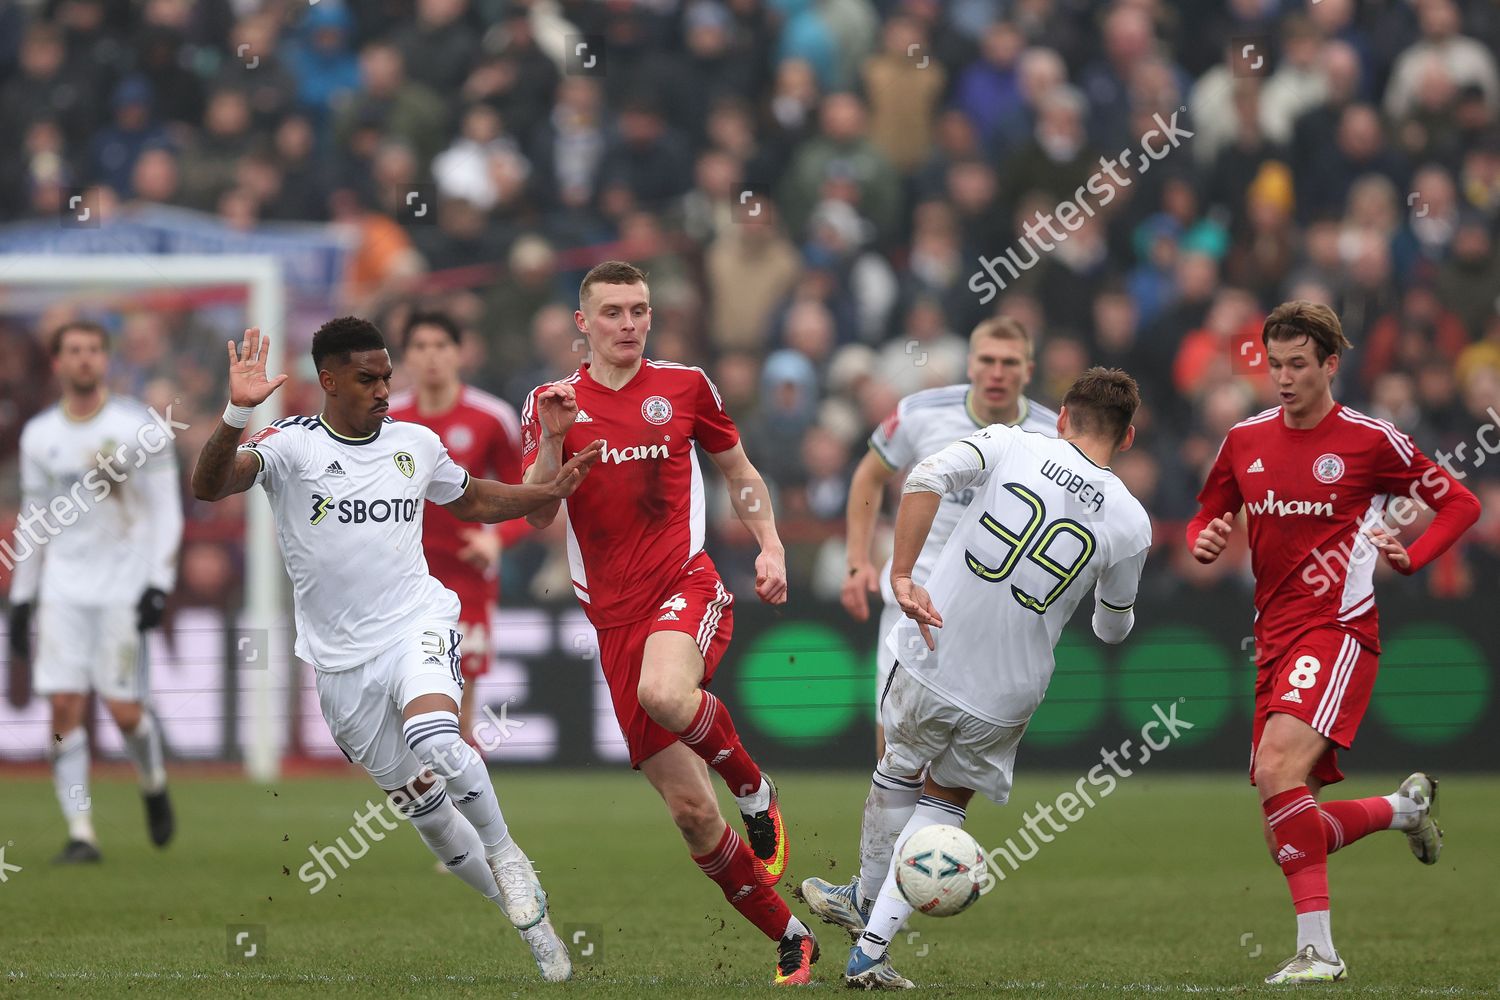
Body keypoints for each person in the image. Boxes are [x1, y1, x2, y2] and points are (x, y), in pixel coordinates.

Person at [190, 322, 602, 982]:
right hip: (339, 666)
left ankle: (507, 853)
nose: (386, 389)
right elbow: (209, 487)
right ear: (329, 380)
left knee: (437, 736)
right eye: (368, 378)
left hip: (417, 623)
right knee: (431, 817)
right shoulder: (290, 448)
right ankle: (532, 922)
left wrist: (546, 494)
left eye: (387, 376)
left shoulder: (416, 444)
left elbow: (473, 498)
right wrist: (237, 412)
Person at [804, 367, 1153, 989]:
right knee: (945, 802)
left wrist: (904, 575)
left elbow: (924, 475)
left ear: (1064, 416)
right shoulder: (1132, 521)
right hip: (1009, 688)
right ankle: (873, 946)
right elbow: (1112, 630)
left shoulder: (1009, 441)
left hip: (934, 647)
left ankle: (863, 901)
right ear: (1127, 439)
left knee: (897, 768)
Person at [519, 261, 817, 986]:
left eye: (640, 310)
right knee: (689, 811)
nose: (629, 324)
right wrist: (555, 444)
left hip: (685, 585)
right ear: (582, 324)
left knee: (664, 693)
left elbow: (740, 471)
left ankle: (754, 789)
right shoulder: (549, 401)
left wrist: (771, 544)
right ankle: (793, 935)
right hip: (613, 621)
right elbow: (535, 512)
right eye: (613, 312)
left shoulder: (685, 386)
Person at [1187, 301, 1481, 985]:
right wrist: (1207, 535)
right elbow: (1212, 507)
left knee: (1275, 771)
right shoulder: (1244, 440)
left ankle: (1319, 952)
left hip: (1338, 629)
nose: (1283, 379)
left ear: (1329, 365)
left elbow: (1459, 502)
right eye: (1274, 365)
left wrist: (1414, 554)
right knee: (1286, 829)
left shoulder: (1370, 440)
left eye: (1298, 365)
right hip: (1272, 639)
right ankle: (1401, 810)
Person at [6, 320, 184, 864]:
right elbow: (34, 521)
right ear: (57, 363)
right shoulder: (39, 436)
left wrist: (158, 584)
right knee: (63, 707)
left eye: (92, 351)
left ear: (104, 361)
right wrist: (21, 597)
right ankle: (82, 831)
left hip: (123, 588)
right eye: (73, 351)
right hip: (62, 590)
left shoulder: (137, 428)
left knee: (126, 713)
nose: (84, 360)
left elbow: (166, 509)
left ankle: (152, 782)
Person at [840, 317, 1058, 757]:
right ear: (970, 366)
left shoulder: (1054, 434)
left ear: (1028, 371)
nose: (998, 372)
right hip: (914, 591)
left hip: (994, 607)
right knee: (895, 738)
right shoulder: (921, 412)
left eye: (1010, 362)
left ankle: (935, 825)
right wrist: (857, 561)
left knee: (963, 752)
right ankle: (897, 825)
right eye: (988, 360)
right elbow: (868, 476)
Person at [388, 311, 528, 746]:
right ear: (405, 357)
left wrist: (495, 538)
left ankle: (468, 812)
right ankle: (427, 810)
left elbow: (529, 498)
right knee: (403, 720)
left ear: (460, 353)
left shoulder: (492, 417)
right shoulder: (386, 423)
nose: (431, 357)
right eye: (420, 347)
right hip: (398, 583)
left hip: (465, 582)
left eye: (441, 346)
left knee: (456, 719)